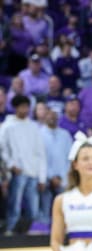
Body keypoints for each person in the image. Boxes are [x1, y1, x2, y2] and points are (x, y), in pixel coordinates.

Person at [0, 95, 46, 235]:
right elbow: (2, 148)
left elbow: (40, 153)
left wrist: (42, 177)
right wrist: (11, 165)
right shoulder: (7, 126)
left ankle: (23, 231)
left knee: (33, 210)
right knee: (14, 207)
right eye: (22, 106)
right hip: (17, 173)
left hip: (33, 173)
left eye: (27, 106)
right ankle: (9, 232)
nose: (25, 109)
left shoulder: (34, 127)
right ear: (15, 108)